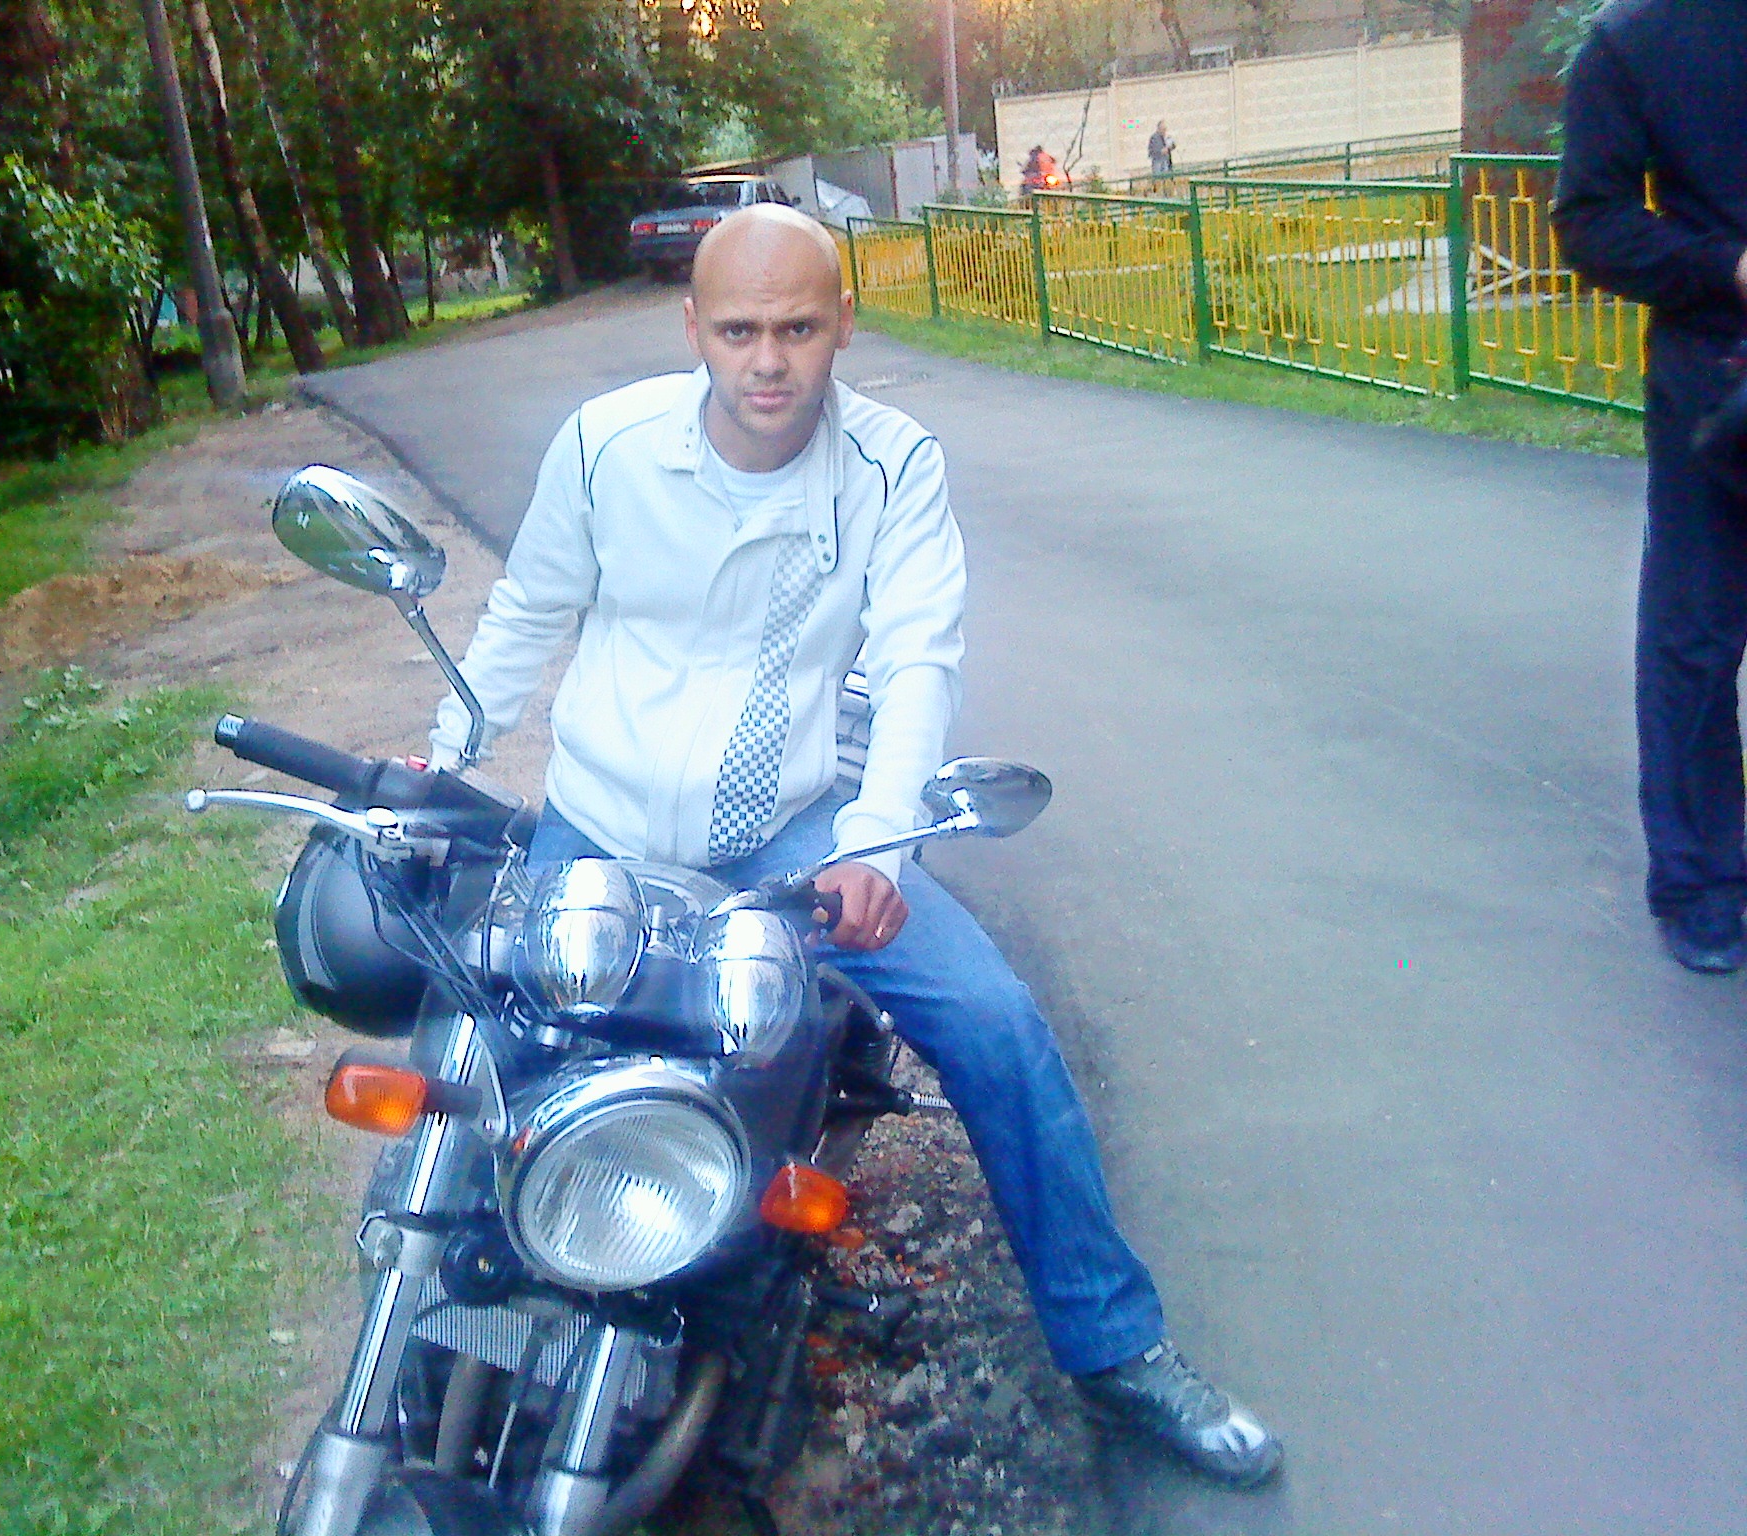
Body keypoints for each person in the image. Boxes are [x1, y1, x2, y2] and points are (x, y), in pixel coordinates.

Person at [427, 203, 1283, 1485]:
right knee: (484, 1049)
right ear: (692, 329)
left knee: (993, 1025)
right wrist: (443, 753)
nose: (766, 361)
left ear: (843, 324)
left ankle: (1113, 1346)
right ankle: (448, 1324)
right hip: (600, 824)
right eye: (737, 331)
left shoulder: (890, 466)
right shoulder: (605, 447)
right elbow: (527, 608)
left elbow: (917, 656)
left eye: (795, 329)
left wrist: (876, 849)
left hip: (797, 829)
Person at [1555, 0, 1747, 973]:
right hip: (1720, 385)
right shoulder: (1636, 38)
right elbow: (1589, 222)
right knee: (1695, 640)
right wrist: (1727, 267)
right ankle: (1702, 882)